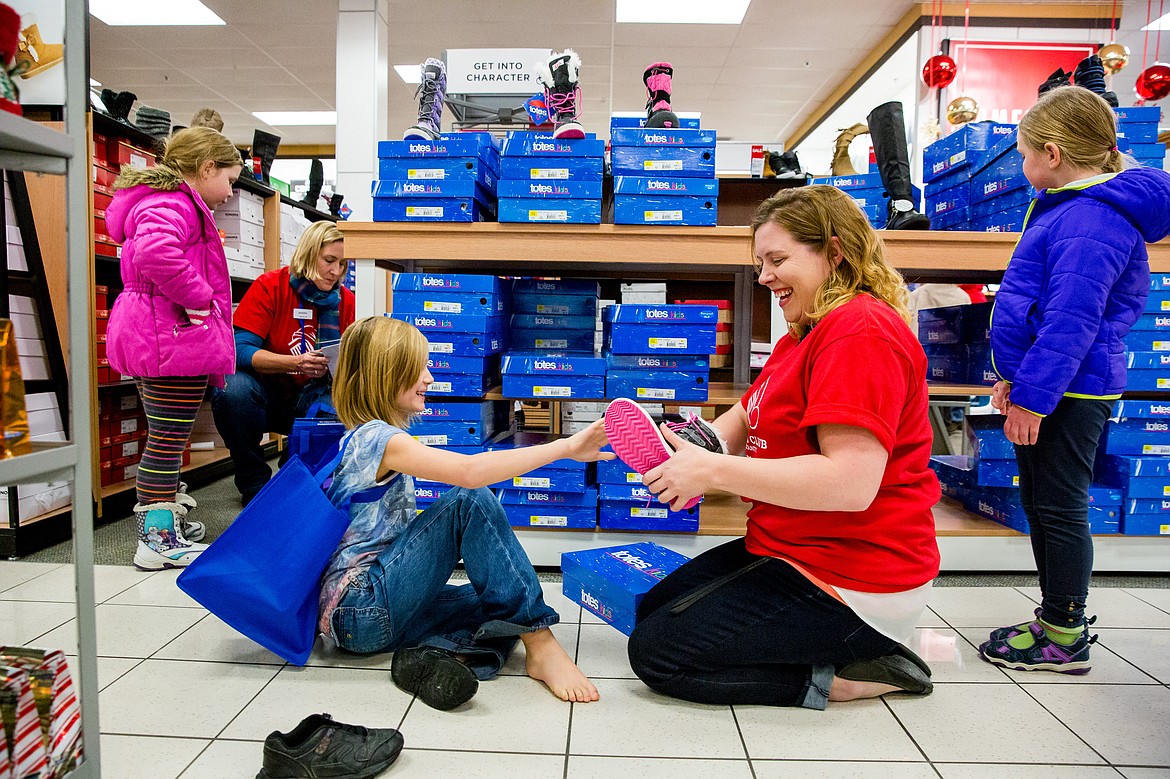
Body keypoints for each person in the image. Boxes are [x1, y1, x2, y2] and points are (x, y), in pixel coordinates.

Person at [615, 185, 941, 710]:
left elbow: (851, 484)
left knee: (658, 655)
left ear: (834, 252)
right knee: (654, 608)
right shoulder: (805, 330)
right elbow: (751, 410)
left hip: (855, 575)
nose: (764, 276)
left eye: (777, 259)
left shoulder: (860, 333)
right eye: (760, 261)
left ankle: (858, 671)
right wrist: (703, 443)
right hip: (791, 546)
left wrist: (715, 471)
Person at [320, 315, 609, 710]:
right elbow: (470, 475)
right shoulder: (378, 438)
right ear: (387, 375)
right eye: (417, 368)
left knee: (497, 597)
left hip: (366, 614)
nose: (429, 378)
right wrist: (566, 448)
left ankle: (445, 656)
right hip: (361, 607)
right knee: (471, 500)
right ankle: (541, 646)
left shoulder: (363, 436)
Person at [982, 86, 1170, 674]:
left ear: (1054, 153)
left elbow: (1070, 323)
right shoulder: (1073, 211)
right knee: (1043, 502)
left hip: (1070, 391)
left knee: (1059, 506)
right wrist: (1015, 380)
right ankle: (1056, 617)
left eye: (1023, 154)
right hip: (1057, 386)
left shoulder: (1090, 220)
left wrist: (1033, 399)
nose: (1022, 166)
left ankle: (1064, 632)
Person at [104, 127, 243, 571]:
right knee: (166, 441)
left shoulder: (169, 202)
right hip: (170, 339)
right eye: (230, 180)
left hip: (161, 335)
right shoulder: (173, 203)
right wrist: (199, 298)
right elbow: (154, 252)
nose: (230, 192)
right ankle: (157, 539)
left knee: (168, 436)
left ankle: (167, 523)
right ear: (206, 169)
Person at [211, 221, 355, 505]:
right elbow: (238, 350)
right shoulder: (271, 286)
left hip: (313, 397)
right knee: (231, 389)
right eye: (329, 260)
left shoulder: (346, 302)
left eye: (342, 264)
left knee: (344, 402)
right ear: (308, 253)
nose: (335, 271)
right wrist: (295, 362)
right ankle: (254, 485)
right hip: (266, 395)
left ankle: (292, 479)